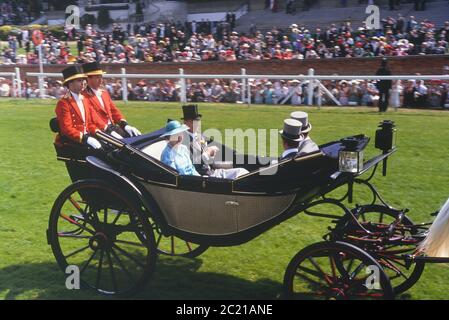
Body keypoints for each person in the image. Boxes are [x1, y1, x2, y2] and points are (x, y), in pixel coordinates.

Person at [161, 120, 249, 179]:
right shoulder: (167, 155)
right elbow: (175, 177)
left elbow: (192, 169)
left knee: (242, 172)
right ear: (169, 137)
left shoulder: (183, 148)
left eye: (181, 133)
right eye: (176, 135)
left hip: (199, 178)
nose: (180, 137)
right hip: (188, 187)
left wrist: (201, 178)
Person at [81, 61, 141, 138]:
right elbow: (92, 119)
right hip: (100, 131)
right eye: (97, 77)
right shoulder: (84, 96)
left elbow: (113, 111)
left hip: (112, 127)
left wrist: (124, 124)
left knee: (136, 137)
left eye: (101, 77)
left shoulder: (104, 92)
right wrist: (108, 131)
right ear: (88, 79)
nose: (101, 80)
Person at [54, 65, 105, 149]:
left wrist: (97, 132)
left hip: (88, 136)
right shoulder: (63, 103)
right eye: (79, 80)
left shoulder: (85, 99)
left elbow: (90, 123)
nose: (83, 83)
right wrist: (85, 138)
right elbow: (67, 129)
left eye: (83, 80)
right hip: (73, 141)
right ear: (70, 83)